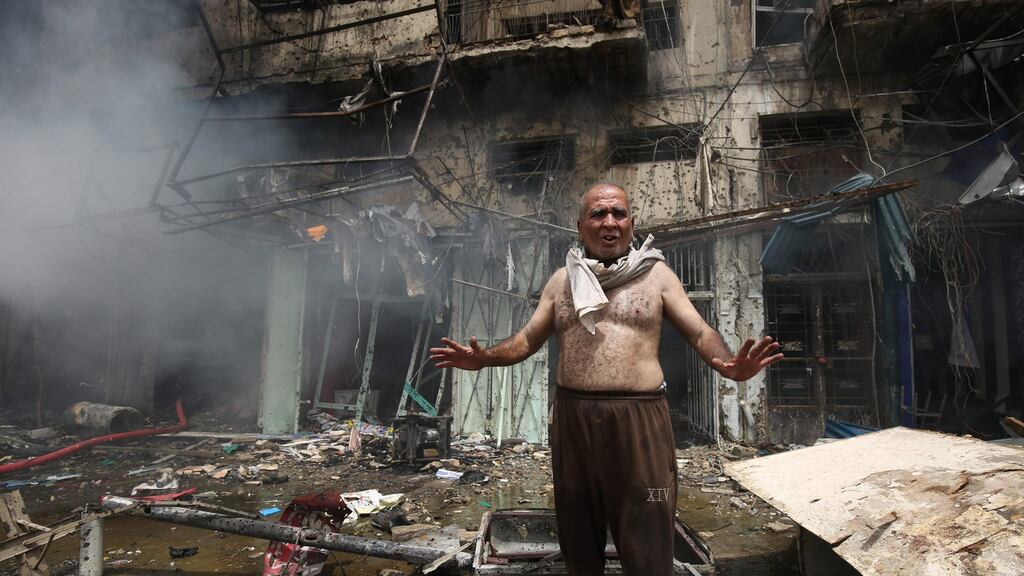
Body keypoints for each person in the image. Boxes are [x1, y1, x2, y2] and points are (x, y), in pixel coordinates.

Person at [430, 183, 782, 575]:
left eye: (619, 213)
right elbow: (527, 339)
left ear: (631, 224)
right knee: (578, 530)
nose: (609, 222)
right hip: (574, 420)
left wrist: (728, 364)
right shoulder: (561, 281)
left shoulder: (657, 276)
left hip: (640, 420)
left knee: (648, 528)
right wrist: (485, 359)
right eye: (598, 214)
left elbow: (700, 332)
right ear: (580, 226)